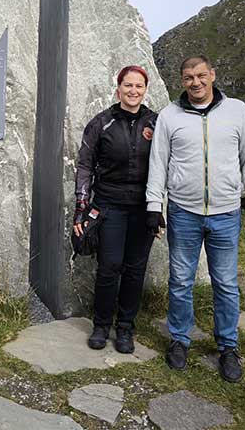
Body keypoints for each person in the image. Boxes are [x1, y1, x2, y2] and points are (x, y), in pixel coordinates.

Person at [145, 55, 245, 382]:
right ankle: (180, 340)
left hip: (226, 213)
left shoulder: (238, 111)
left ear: (212, 74)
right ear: (181, 81)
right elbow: (158, 163)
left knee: (226, 283)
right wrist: (153, 205)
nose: (195, 82)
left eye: (201, 75)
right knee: (181, 281)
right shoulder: (170, 116)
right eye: (188, 78)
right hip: (183, 212)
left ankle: (228, 347)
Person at [74, 65, 163, 354]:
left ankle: (125, 328)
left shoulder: (157, 123)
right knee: (109, 267)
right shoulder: (101, 123)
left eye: (139, 86)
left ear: (145, 90)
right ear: (118, 89)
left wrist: (160, 209)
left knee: (135, 270)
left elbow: (167, 166)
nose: (133, 91)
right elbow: (85, 165)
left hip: (144, 209)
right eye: (128, 85)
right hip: (109, 206)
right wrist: (81, 208)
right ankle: (101, 325)